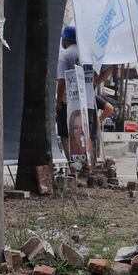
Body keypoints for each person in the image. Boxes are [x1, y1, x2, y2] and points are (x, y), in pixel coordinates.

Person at [57, 26, 93, 169]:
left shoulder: (64, 55)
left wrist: (58, 101)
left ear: (65, 40)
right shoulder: (87, 54)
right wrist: (97, 82)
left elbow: (61, 81)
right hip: (88, 101)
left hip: (69, 102)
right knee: (85, 134)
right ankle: (87, 165)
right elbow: (107, 68)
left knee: (65, 134)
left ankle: (73, 165)